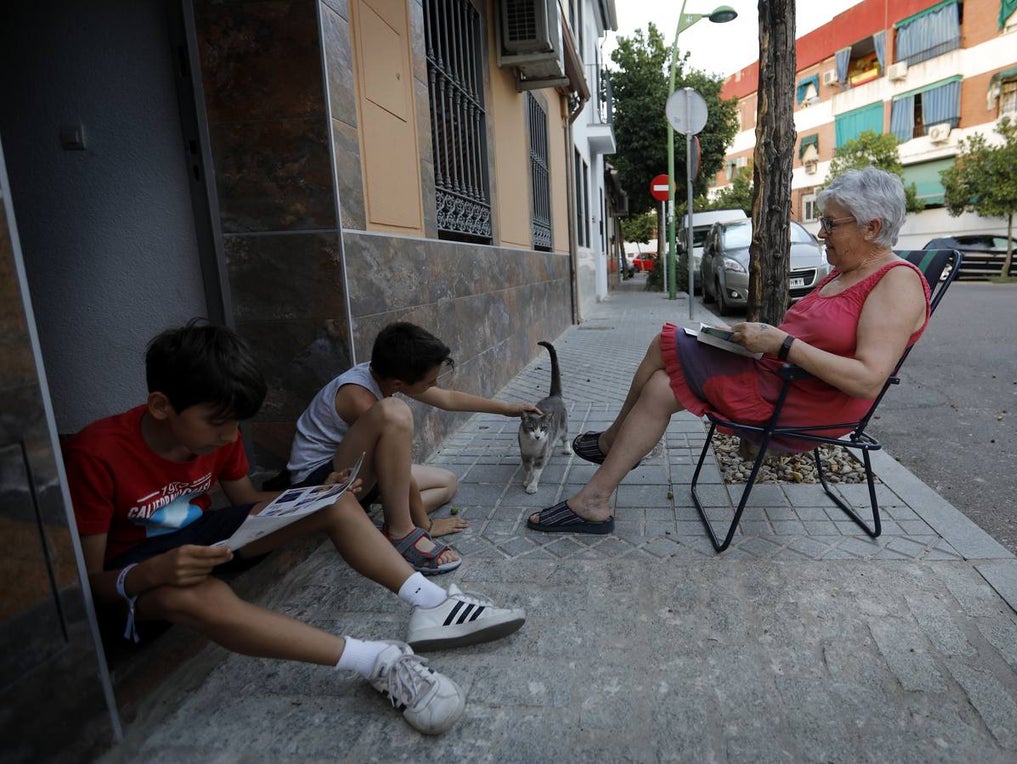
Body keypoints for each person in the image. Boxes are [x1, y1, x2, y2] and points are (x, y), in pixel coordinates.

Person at [65, 323, 527, 736]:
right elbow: (90, 587)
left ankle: (432, 603)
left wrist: (313, 498)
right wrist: (153, 572)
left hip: (204, 536)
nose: (229, 438)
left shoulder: (217, 435)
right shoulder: (97, 453)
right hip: (136, 576)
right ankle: (377, 661)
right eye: (218, 424)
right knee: (196, 597)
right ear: (162, 406)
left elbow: (246, 504)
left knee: (336, 502)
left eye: (236, 425)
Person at [526, 166, 932, 534]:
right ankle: (595, 499)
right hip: (782, 380)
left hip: (807, 404)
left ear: (870, 226)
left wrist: (781, 343)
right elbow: (811, 339)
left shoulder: (896, 282)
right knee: (661, 387)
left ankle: (612, 442)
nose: (822, 232)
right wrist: (755, 340)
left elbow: (867, 379)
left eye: (830, 223)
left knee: (665, 340)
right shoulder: (845, 273)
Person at [287, 322, 540, 574]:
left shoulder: (386, 375)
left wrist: (507, 409)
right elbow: (396, 470)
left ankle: (376, 520)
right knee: (394, 412)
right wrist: (425, 525)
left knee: (448, 482)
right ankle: (401, 532)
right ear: (399, 384)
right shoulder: (359, 397)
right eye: (430, 381)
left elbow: (447, 399)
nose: (434, 385)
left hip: (356, 473)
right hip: (321, 483)